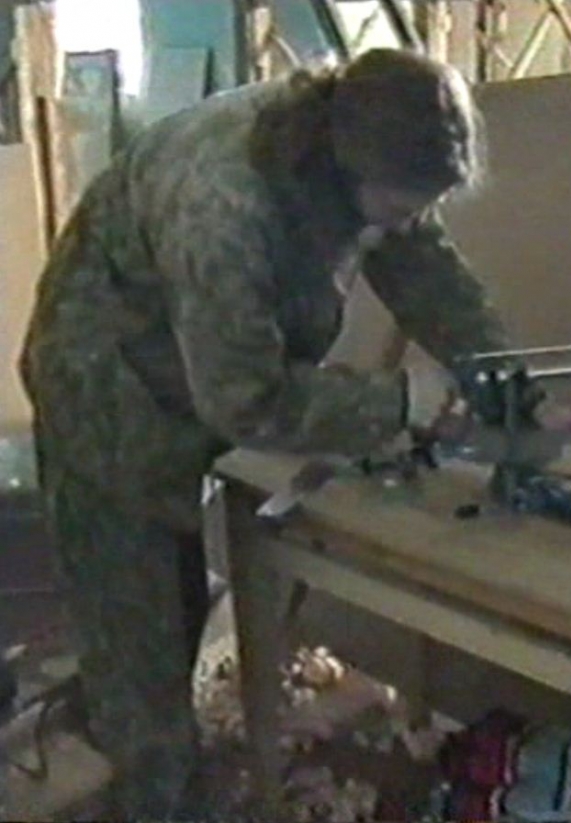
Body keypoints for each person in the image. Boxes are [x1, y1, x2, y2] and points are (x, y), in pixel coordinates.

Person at [19, 48, 523, 818]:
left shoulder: (364, 144)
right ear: (351, 170)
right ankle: (150, 791)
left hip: (182, 361)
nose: (408, 219)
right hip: (105, 388)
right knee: (142, 660)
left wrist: (505, 383)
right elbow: (246, 400)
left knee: (170, 618)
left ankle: (116, 729)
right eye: (401, 203)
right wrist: (402, 402)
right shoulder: (224, 207)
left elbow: (427, 271)